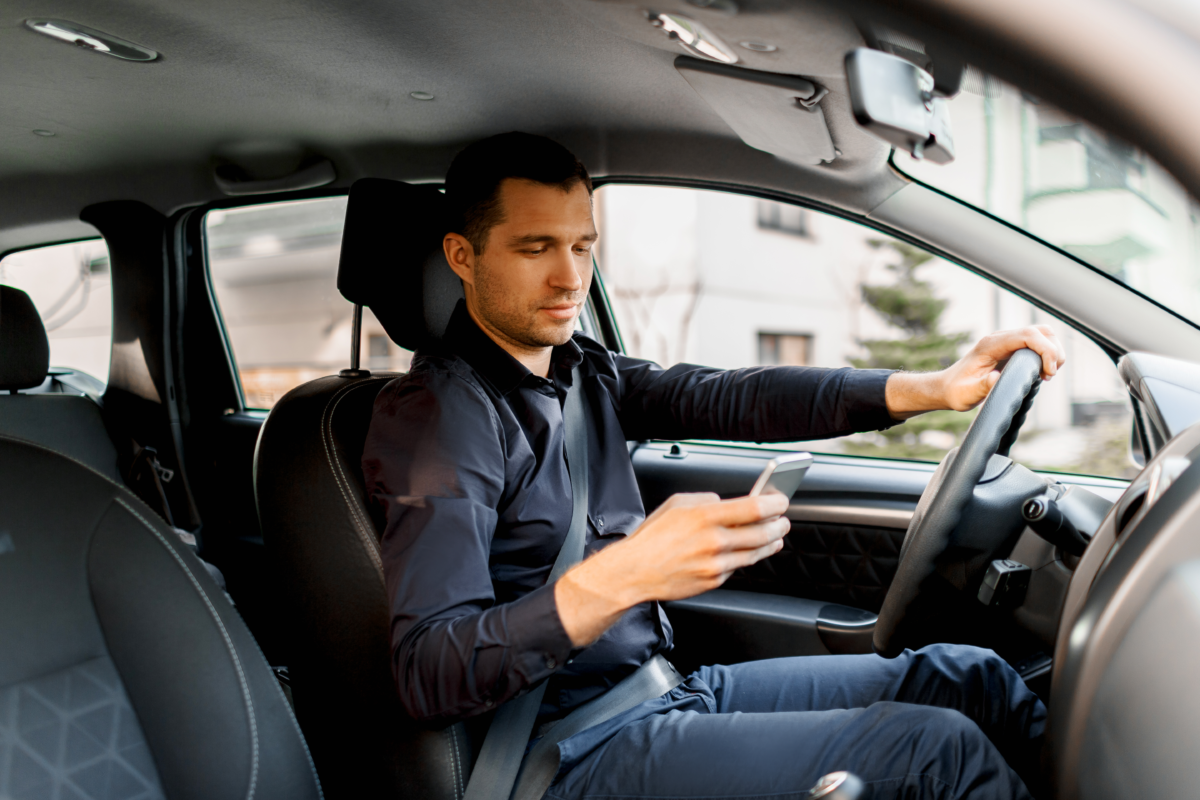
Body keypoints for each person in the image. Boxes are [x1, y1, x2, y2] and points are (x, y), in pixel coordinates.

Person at [363, 131, 1065, 800]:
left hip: (662, 689)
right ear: (462, 255)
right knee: (933, 750)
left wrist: (932, 388)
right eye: (534, 248)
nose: (569, 276)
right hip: (565, 751)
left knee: (971, 679)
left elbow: (733, 396)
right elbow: (429, 672)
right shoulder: (438, 418)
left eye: (582, 245)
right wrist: (623, 573)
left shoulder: (584, 373)